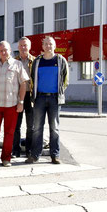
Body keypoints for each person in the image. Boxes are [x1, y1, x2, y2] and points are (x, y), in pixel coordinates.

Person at [0, 41, 29, 167]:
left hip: (11, 105)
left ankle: (6, 158)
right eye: (1, 50)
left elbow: (23, 84)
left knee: (9, 133)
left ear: (10, 50)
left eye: (5, 50)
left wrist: (21, 102)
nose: (3, 52)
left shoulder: (17, 64)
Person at [25, 36, 69, 165]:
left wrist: (60, 92)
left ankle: (55, 155)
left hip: (55, 98)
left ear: (54, 46)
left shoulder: (61, 60)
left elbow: (66, 80)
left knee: (54, 127)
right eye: (46, 44)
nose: (48, 46)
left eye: (51, 44)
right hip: (40, 98)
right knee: (37, 127)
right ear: (42, 46)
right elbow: (33, 78)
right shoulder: (37, 61)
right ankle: (35, 155)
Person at [12, 37, 35, 158]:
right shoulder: (14, 61)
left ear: (29, 47)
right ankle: (15, 150)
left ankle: (29, 150)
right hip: (17, 96)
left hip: (31, 97)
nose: (23, 47)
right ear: (18, 47)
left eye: (25, 45)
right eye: (21, 45)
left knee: (31, 126)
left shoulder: (35, 61)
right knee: (16, 125)